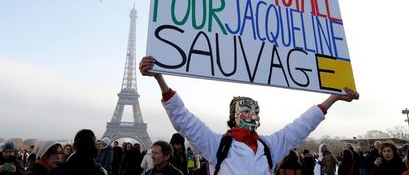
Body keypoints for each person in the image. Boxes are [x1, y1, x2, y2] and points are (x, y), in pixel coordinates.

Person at [139, 56, 359, 175]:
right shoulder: (217, 144)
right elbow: (183, 120)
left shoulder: (269, 146)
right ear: (233, 116)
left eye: (255, 111)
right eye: (245, 111)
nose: (252, 115)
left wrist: (333, 98)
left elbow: (301, 126)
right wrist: (160, 78)